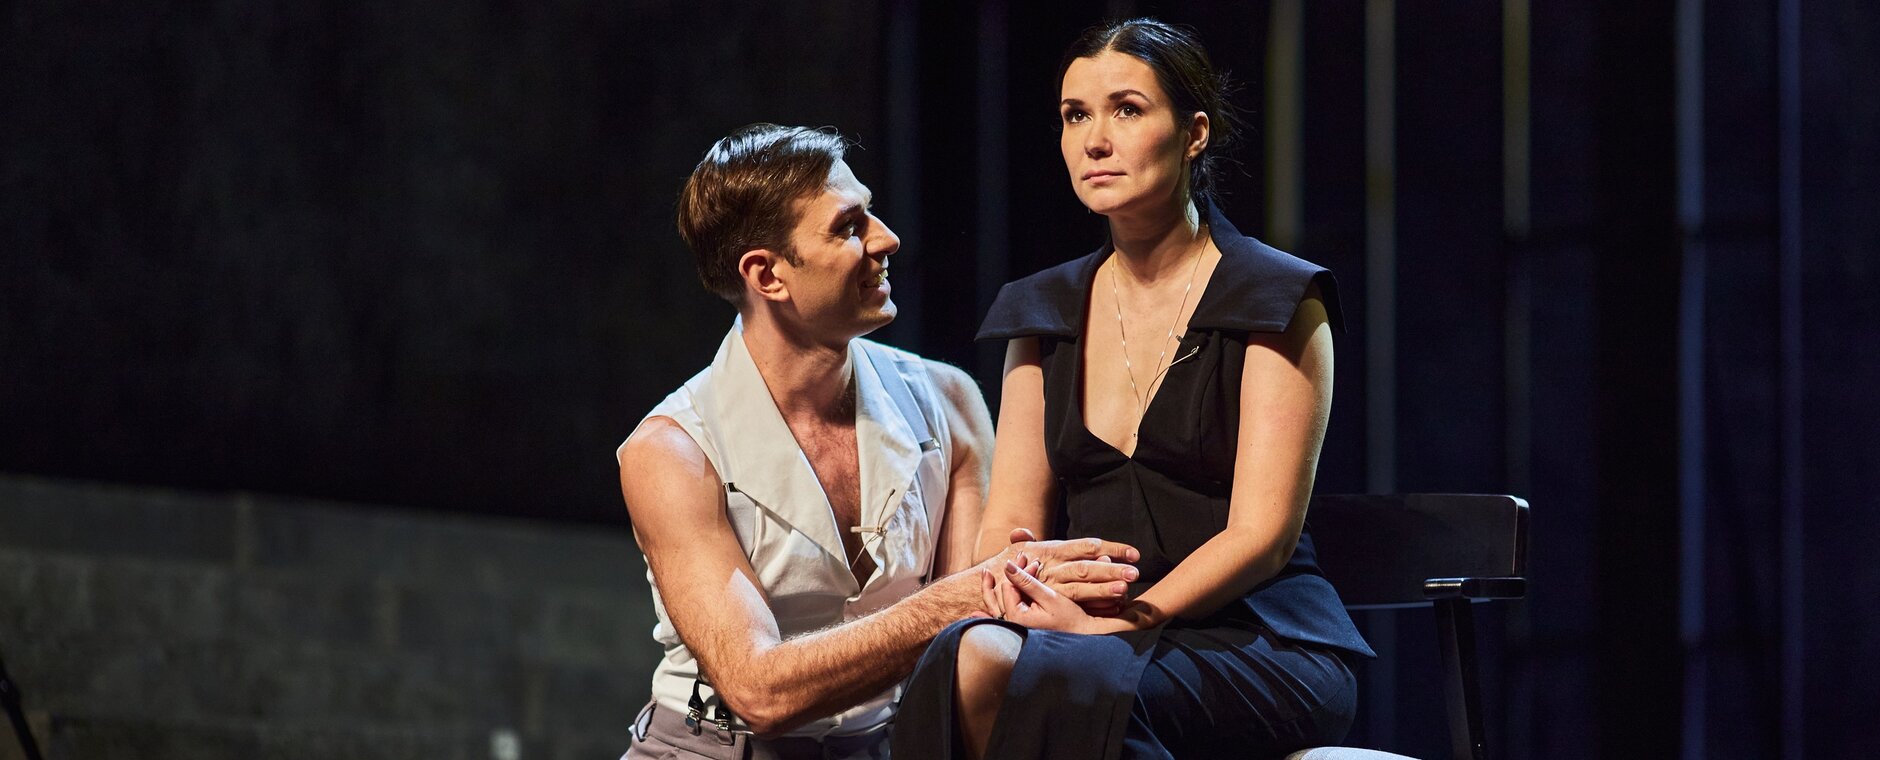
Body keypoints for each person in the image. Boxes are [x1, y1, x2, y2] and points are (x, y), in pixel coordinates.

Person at [889, 19, 1376, 760]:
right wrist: (1025, 588)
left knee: (1051, 685)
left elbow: (1262, 535)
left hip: (1256, 640)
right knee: (973, 651)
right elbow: (1010, 520)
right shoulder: (1042, 310)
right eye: (1075, 115)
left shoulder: (1276, 297)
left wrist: (1121, 624)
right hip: (1084, 629)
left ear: (1194, 134)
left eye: (1126, 109)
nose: (1095, 140)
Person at [616, 123, 1142, 760]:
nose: (886, 238)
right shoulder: (671, 452)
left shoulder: (947, 402)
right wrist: (965, 595)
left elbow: (974, 636)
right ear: (767, 274)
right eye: (848, 226)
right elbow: (758, 692)